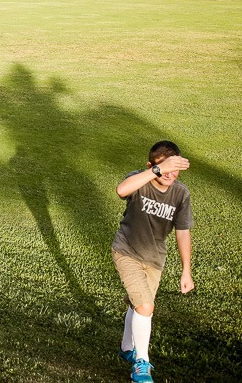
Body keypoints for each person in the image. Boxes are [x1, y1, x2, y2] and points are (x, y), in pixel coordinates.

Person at [112, 140, 193, 383]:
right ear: (151, 166)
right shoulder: (140, 179)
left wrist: (186, 270)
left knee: (138, 306)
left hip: (155, 258)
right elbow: (121, 190)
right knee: (145, 307)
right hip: (126, 250)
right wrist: (157, 170)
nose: (170, 173)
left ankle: (127, 349)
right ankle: (141, 363)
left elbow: (182, 232)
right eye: (164, 167)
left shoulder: (181, 194)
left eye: (175, 168)